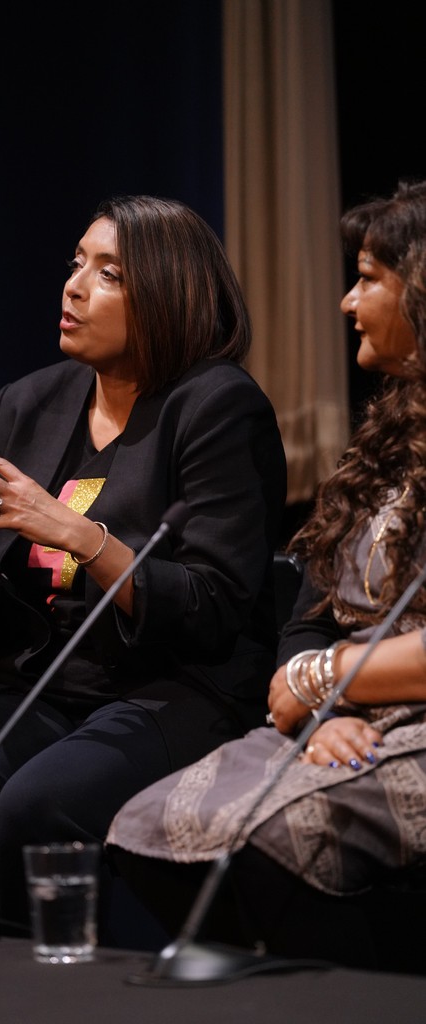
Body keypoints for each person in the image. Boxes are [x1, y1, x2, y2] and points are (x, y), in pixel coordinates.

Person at [0, 194, 287, 942]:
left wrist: (83, 538)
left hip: (171, 686)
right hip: (43, 678)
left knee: (40, 808)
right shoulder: (29, 403)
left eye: (108, 273)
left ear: (167, 294)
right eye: (76, 265)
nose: (73, 286)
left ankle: (47, 990)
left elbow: (214, 607)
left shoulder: (218, 407)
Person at [106, 180, 426, 970]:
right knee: (148, 830)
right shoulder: (383, 442)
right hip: (347, 714)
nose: (347, 302)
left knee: (264, 841)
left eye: (367, 278)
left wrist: (322, 681)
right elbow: (309, 615)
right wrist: (318, 708)